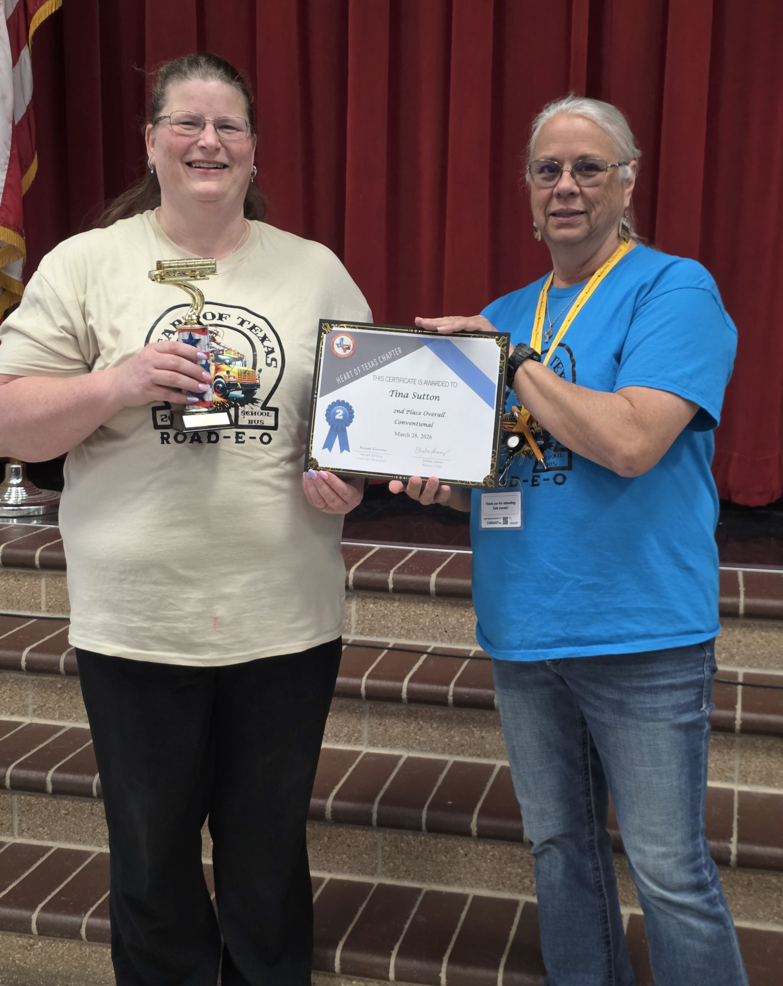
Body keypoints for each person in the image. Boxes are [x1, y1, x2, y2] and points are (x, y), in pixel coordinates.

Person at [0, 53, 370, 986]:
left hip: (283, 621)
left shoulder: (314, 271)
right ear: (151, 142)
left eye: (228, 125)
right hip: (139, 624)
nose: (208, 141)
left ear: (253, 149)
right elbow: (8, 417)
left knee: (268, 862)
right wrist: (118, 382)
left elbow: (354, 430)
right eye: (187, 123)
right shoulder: (86, 264)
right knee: (153, 865)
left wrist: (346, 475)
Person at [391, 95, 747, 986]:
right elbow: (495, 471)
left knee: (668, 873)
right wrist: (437, 481)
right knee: (558, 852)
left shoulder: (674, 289)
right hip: (524, 629)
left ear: (627, 183)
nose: (565, 186)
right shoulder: (505, 310)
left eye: (588, 168)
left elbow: (629, 443)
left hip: (640, 632)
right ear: (526, 189)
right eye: (546, 169)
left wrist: (513, 359)